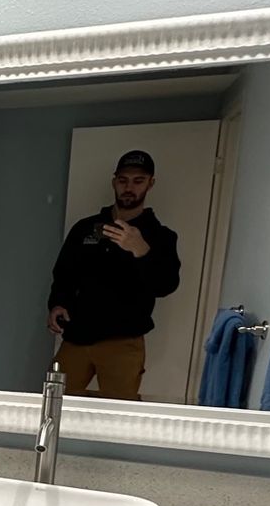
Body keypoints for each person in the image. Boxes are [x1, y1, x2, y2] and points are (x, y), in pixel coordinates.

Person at [45, 149, 181, 399]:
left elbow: (166, 285)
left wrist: (142, 251)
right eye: (123, 180)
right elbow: (64, 273)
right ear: (114, 182)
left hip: (123, 341)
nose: (129, 188)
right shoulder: (87, 228)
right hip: (77, 335)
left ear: (150, 184)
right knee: (54, 400)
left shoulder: (160, 236)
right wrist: (57, 303)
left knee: (117, 410)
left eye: (138, 181)